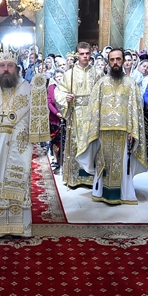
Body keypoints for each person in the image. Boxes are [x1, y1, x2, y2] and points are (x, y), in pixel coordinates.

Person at [0, 53, 44, 238]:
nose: (6, 69)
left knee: (19, 181)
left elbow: (34, 117)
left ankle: (19, 227)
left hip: (19, 142)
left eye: (10, 65)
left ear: (16, 68)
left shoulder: (26, 88)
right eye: (2, 66)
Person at [77, 48, 146, 205]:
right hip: (104, 132)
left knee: (122, 163)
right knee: (104, 163)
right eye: (112, 59)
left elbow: (135, 109)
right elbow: (94, 109)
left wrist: (132, 130)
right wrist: (95, 129)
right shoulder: (101, 83)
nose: (115, 62)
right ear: (108, 61)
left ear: (123, 61)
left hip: (124, 132)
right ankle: (101, 192)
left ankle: (124, 193)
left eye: (118, 59)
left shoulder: (131, 83)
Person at [54, 41, 100, 189]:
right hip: (76, 113)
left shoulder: (98, 73)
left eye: (87, 53)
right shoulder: (69, 74)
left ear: (91, 54)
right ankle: (75, 178)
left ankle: (90, 177)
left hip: (93, 114)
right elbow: (59, 91)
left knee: (92, 144)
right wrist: (66, 98)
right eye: (82, 54)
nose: (85, 56)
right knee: (76, 143)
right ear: (77, 55)